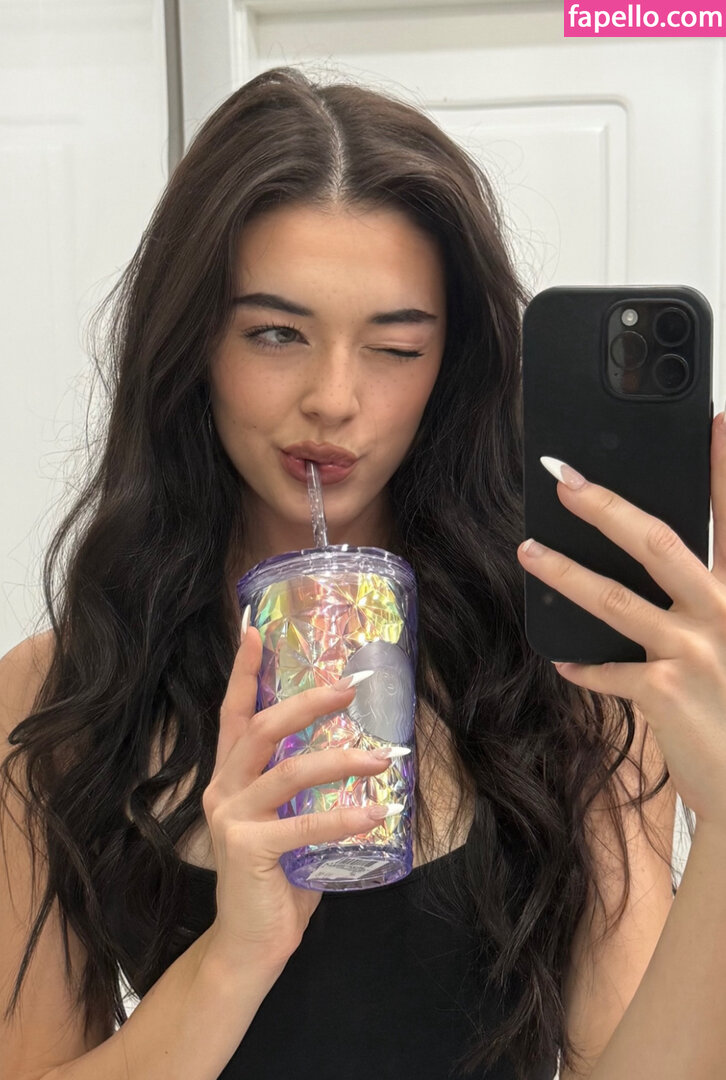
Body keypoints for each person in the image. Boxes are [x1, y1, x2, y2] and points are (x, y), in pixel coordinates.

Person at [2, 64, 725, 1080]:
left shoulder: (567, 672)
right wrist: (235, 958)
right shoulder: (59, 695)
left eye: (395, 347)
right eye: (276, 334)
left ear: (450, 367)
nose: (333, 399)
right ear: (191, 344)